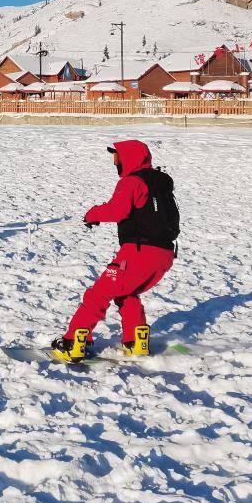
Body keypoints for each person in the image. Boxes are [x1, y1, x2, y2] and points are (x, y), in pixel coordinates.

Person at [51, 140, 179, 362]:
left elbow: (117, 210)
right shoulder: (160, 183)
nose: (115, 162)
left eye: (117, 157)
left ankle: (73, 343)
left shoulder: (132, 182)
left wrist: (93, 214)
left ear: (128, 159)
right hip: (164, 254)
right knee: (125, 292)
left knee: (99, 293)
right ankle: (136, 340)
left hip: (140, 252)